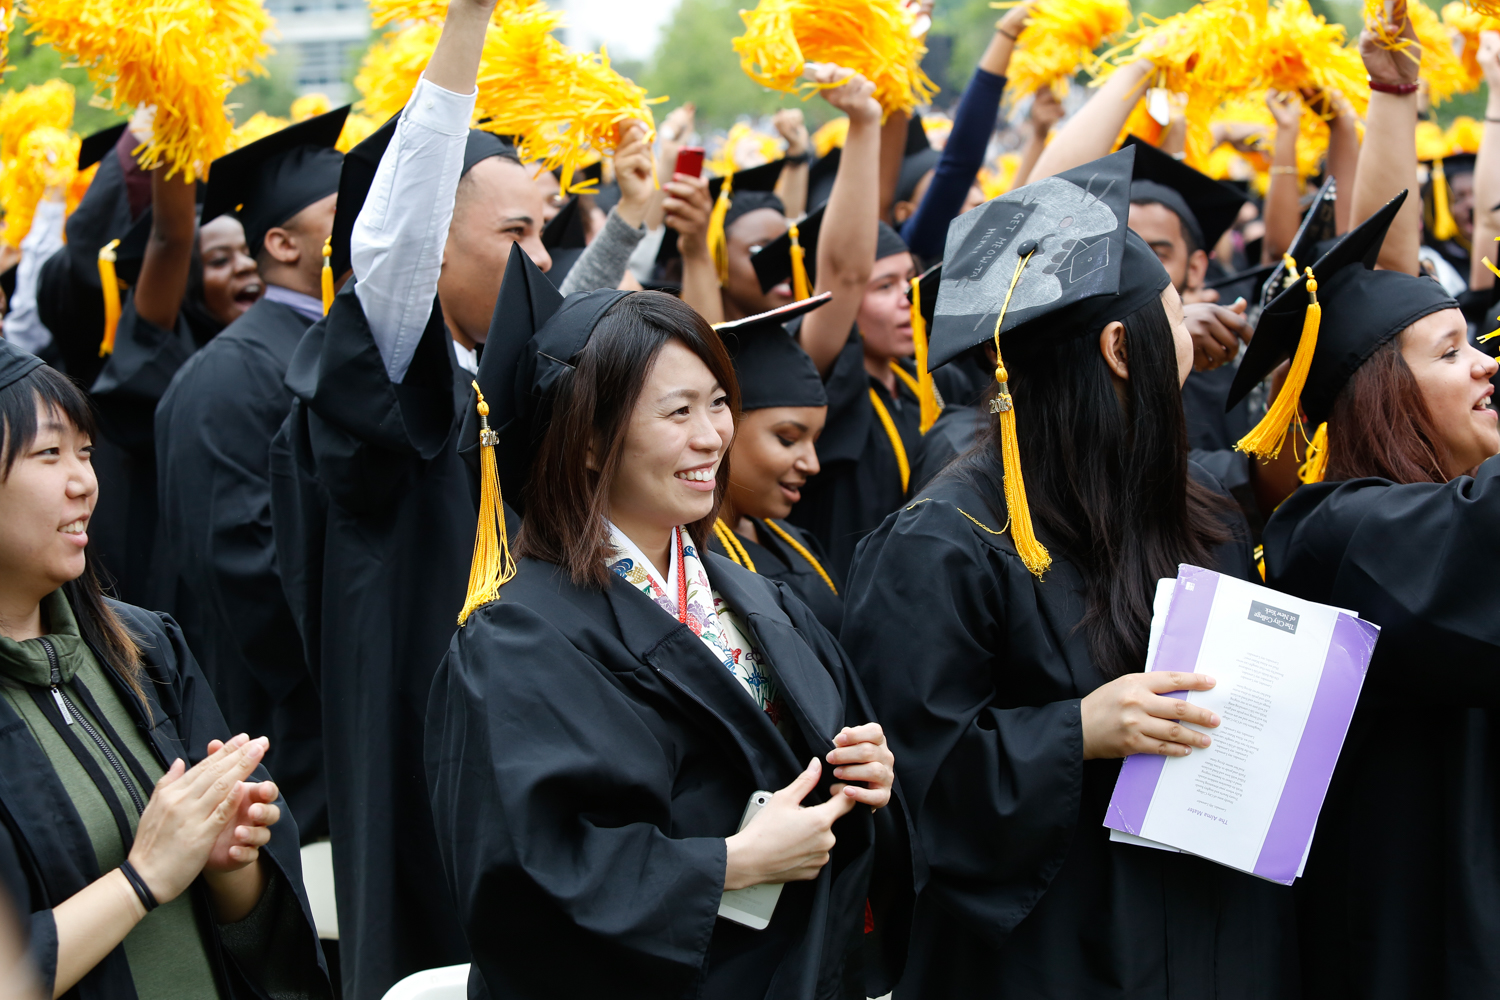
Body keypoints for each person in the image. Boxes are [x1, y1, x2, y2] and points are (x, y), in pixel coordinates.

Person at [841, 148, 1299, 997]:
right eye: (1173, 313)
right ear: (1121, 348)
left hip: (1206, 928)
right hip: (1051, 958)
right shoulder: (946, 542)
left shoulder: (1178, 497)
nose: (1191, 335)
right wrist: (1074, 732)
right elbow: (900, 784)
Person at [425, 246, 915, 999]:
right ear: (589, 441)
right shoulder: (517, 637)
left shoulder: (753, 594)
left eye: (718, 402)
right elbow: (524, 878)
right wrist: (733, 864)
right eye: (678, 411)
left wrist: (857, 773)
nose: (713, 436)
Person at [1230, 189, 1500, 999]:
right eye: (1451, 353)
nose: (1489, 362)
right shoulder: (1330, 532)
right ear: (1387, 394)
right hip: (1416, 939)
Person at [0, 340, 328, 999]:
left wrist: (229, 860)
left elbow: (259, 936)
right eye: (49, 454)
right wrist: (143, 876)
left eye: (86, 453)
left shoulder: (143, 648)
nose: (82, 480)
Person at [152, 108, 348, 846]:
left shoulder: (334, 351)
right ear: (281, 242)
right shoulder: (230, 376)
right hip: (291, 739)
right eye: (342, 211)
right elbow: (246, 574)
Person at [87, 156, 263, 605]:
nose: (245, 267)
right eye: (219, 260)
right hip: (165, 571)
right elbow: (169, 238)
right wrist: (178, 135)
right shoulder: (162, 344)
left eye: (248, 252)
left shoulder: (278, 349)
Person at [708, 294, 843, 635]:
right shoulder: (688, 561)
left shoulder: (794, 541)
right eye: (787, 438)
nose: (812, 464)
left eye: (815, 441)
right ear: (723, 428)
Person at [896, 1, 1034, 262]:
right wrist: (1007, 32)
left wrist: (1038, 133)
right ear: (905, 211)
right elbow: (959, 163)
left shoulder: (986, 250)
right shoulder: (919, 244)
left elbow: (1025, 194)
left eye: (975, 185)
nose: (978, 197)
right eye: (944, 186)